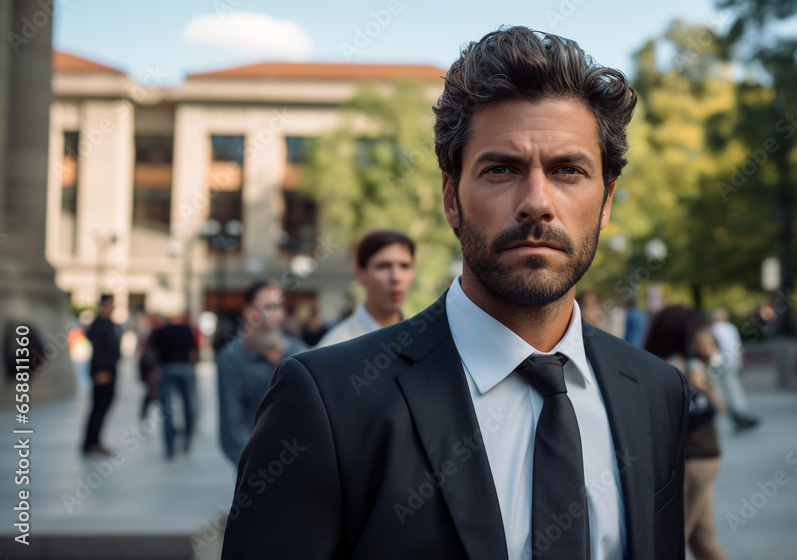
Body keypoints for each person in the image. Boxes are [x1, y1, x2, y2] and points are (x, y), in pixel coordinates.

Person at [222, 26, 689, 559]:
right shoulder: (329, 402)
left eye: (567, 170)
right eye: (500, 169)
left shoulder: (657, 393)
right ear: (451, 198)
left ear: (605, 201)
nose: (536, 202)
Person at [644, 305, 727, 560]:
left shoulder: (667, 366)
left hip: (689, 462)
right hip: (702, 457)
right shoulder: (687, 365)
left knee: (667, 543)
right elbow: (719, 407)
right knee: (703, 540)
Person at [216, 280, 307, 466]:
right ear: (248, 311)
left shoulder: (301, 353)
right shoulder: (231, 359)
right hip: (257, 470)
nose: (271, 315)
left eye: (277, 307)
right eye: (266, 307)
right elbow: (232, 428)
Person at [313, 230, 415, 348]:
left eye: (404, 266)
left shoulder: (422, 339)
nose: (396, 277)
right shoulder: (334, 347)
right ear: (360, 274)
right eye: (383, 266)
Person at [149, 311, 199, 459]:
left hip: (166, 369)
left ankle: (170, 447)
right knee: (189, 405)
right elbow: (194, 351)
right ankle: (188, 438)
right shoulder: (187, 330)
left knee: (166, 409)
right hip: (185, 368)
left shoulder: (160, 331)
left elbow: (153, 353)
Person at [82, 294, 121, 456]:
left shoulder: (109, 323)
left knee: (103, 407)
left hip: (110, 370)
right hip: (102, 371)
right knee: (98, 408)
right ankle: (91, 443)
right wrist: (99, 370)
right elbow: (97, 350)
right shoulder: (98, 325)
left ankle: (94, 441)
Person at [709, 307, 760, 432]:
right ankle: (741, 412)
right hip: (734, 361)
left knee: (725, 391)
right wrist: (744, 361)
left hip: (721, 362)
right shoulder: (731, 327)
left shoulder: (712, 329)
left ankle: (738, 415)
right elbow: (738, 346)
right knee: (735, 388)